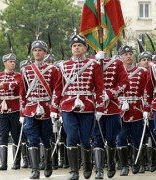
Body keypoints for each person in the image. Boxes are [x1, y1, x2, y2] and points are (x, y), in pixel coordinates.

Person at [51, 35, 105, 180]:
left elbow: (100, 88)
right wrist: (54, 109)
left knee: (86, 139)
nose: (77, 48)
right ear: (71, 48)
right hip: (68, 106)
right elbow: (58, 89)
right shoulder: (63, 66)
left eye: (80, 45)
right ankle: (74, 171)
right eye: (74, 46)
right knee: (71, 136)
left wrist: (100, 107)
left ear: (85, 48)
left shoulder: (93, 65)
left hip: (87, 105)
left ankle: (87, 165)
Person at [20, 40, 58, 179]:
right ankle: (34, 170)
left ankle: (48, 163)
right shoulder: (26, 70)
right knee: (32, 139)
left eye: (40, 50)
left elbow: (56, 90)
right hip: (30, 109)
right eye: (35, 50)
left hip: (46, 109)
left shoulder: (53, 70)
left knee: (46, 139)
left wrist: (55, 109)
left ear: (45, 53)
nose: (37, 52)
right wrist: (22, 112)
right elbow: (22, 93)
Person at [91, 51, 129, 178]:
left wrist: (111, 93)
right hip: (95, 106)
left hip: (112, 107)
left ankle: (111, 164)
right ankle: (99, 169)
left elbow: (125, 83)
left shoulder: (116, 63)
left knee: (112, 137)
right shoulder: (90, 63)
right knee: (97, 138)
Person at [116, 45, 148, 176]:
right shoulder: (116, 72)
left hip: (136, 109)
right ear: (121, 57)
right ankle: (124, 166)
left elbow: (146, 91)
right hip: (120, 111)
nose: (128, 56)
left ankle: (138, 163)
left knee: (137, 138)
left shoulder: (141, 72)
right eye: (125, 54)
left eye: (130, 53)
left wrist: (146, 108)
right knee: (120, 138)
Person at [0, 52, 22, 171]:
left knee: (16, 135)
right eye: (10, 61)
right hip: (2, 108)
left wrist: (1, 85)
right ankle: (3, 163)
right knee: (2, 135)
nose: (13, 63)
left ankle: (16, 162)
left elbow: (16, 85)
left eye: (14, 62)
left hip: (15, 108)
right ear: (4, 63)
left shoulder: (18, 75)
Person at [143, 51, 156, 172]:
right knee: (155, 132)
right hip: (155, 104)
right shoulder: (153, 67)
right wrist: (146, 108)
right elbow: (149, 88)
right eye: (144, 59)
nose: (146, 61)